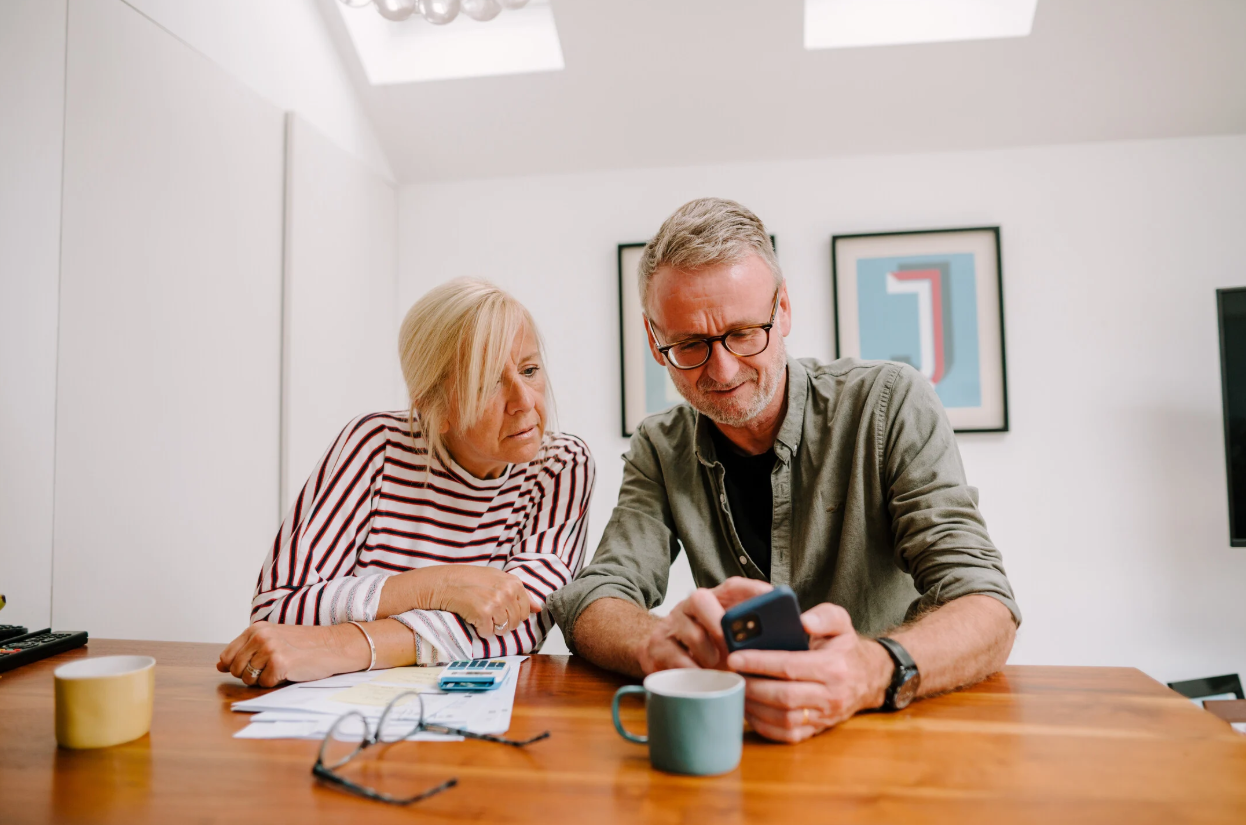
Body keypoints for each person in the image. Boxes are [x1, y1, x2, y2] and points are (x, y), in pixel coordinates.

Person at [549, 198, 1020, 743]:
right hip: (742, 736)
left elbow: (987, 605)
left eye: (744, 332)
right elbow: (594, 595)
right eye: (691, 344)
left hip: (887, 728)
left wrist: (870, 671)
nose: (723, 369)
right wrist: (654, 643)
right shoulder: (659, 446)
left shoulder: (888, 403)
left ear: (785, 309)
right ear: (656, 341)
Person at [219, 279, 595, 687]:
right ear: (434, 407)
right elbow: (275, 610)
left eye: (530, 370)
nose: (524, 401)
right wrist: (439, 586)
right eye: (487, 383)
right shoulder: (374, 447)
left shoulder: (561, 466)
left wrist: (342, 645)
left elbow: (519, 623)